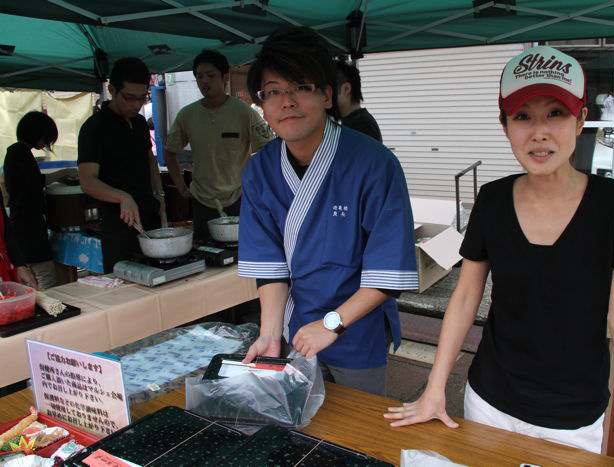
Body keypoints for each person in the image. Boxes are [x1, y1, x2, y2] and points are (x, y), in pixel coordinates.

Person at [384, 46, 614, 465]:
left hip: (573, 418)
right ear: (505, 124)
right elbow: (465, 297)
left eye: (555, 113)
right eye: (522, 117)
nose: (539, 133)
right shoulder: (492, 199)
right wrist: (435, 387)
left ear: (581, 118)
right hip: (488, 401)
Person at [238, 26, 417, 396]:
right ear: (262, 104)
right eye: (272, 92)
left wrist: (332, 324)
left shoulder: (374, 164)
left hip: (356, 329)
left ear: (327, 95)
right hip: (296, 327)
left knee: (357, 433)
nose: (286, 101)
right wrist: (270, 334)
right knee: (300, 428)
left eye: (301, 86)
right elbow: (270, 267)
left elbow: (387, 272)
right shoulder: (260, 170)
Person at [164, 50, 272, 240]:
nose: (204, 81)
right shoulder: (187, 115)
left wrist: (256, 186)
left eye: (211, 75)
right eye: (199, 76)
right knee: (206, 254)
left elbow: (268, 151)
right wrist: (181, 187)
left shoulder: (244, 113)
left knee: (242, 255)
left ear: (225, 77)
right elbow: (170, 152)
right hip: (202, 200)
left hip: (239, 199)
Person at [78, 57, 164, 273]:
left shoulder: (140, 123)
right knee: (127, 285)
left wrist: (160, 197)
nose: (136, 105)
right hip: (118, 225)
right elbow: (87, 181)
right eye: (129, 98)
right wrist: (123, 197)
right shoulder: (94, 128)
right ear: (111, 89)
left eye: (142, 98)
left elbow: (150, 160)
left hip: (149, 217)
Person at [3, 112, 76, 289]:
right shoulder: (19, 152)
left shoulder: (16, 152)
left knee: (34, 276)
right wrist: (64, 173)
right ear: (38, 134)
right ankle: (49, 307)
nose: (46, 143)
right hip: (29, 226)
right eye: (46, 138)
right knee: (45, 276)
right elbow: (35, 183)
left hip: (24, 224)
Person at [335, 60, 382, 143]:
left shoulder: (362, 126)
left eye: (330, 90)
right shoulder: (356, 122)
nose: (325, 97)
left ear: (346, 89)